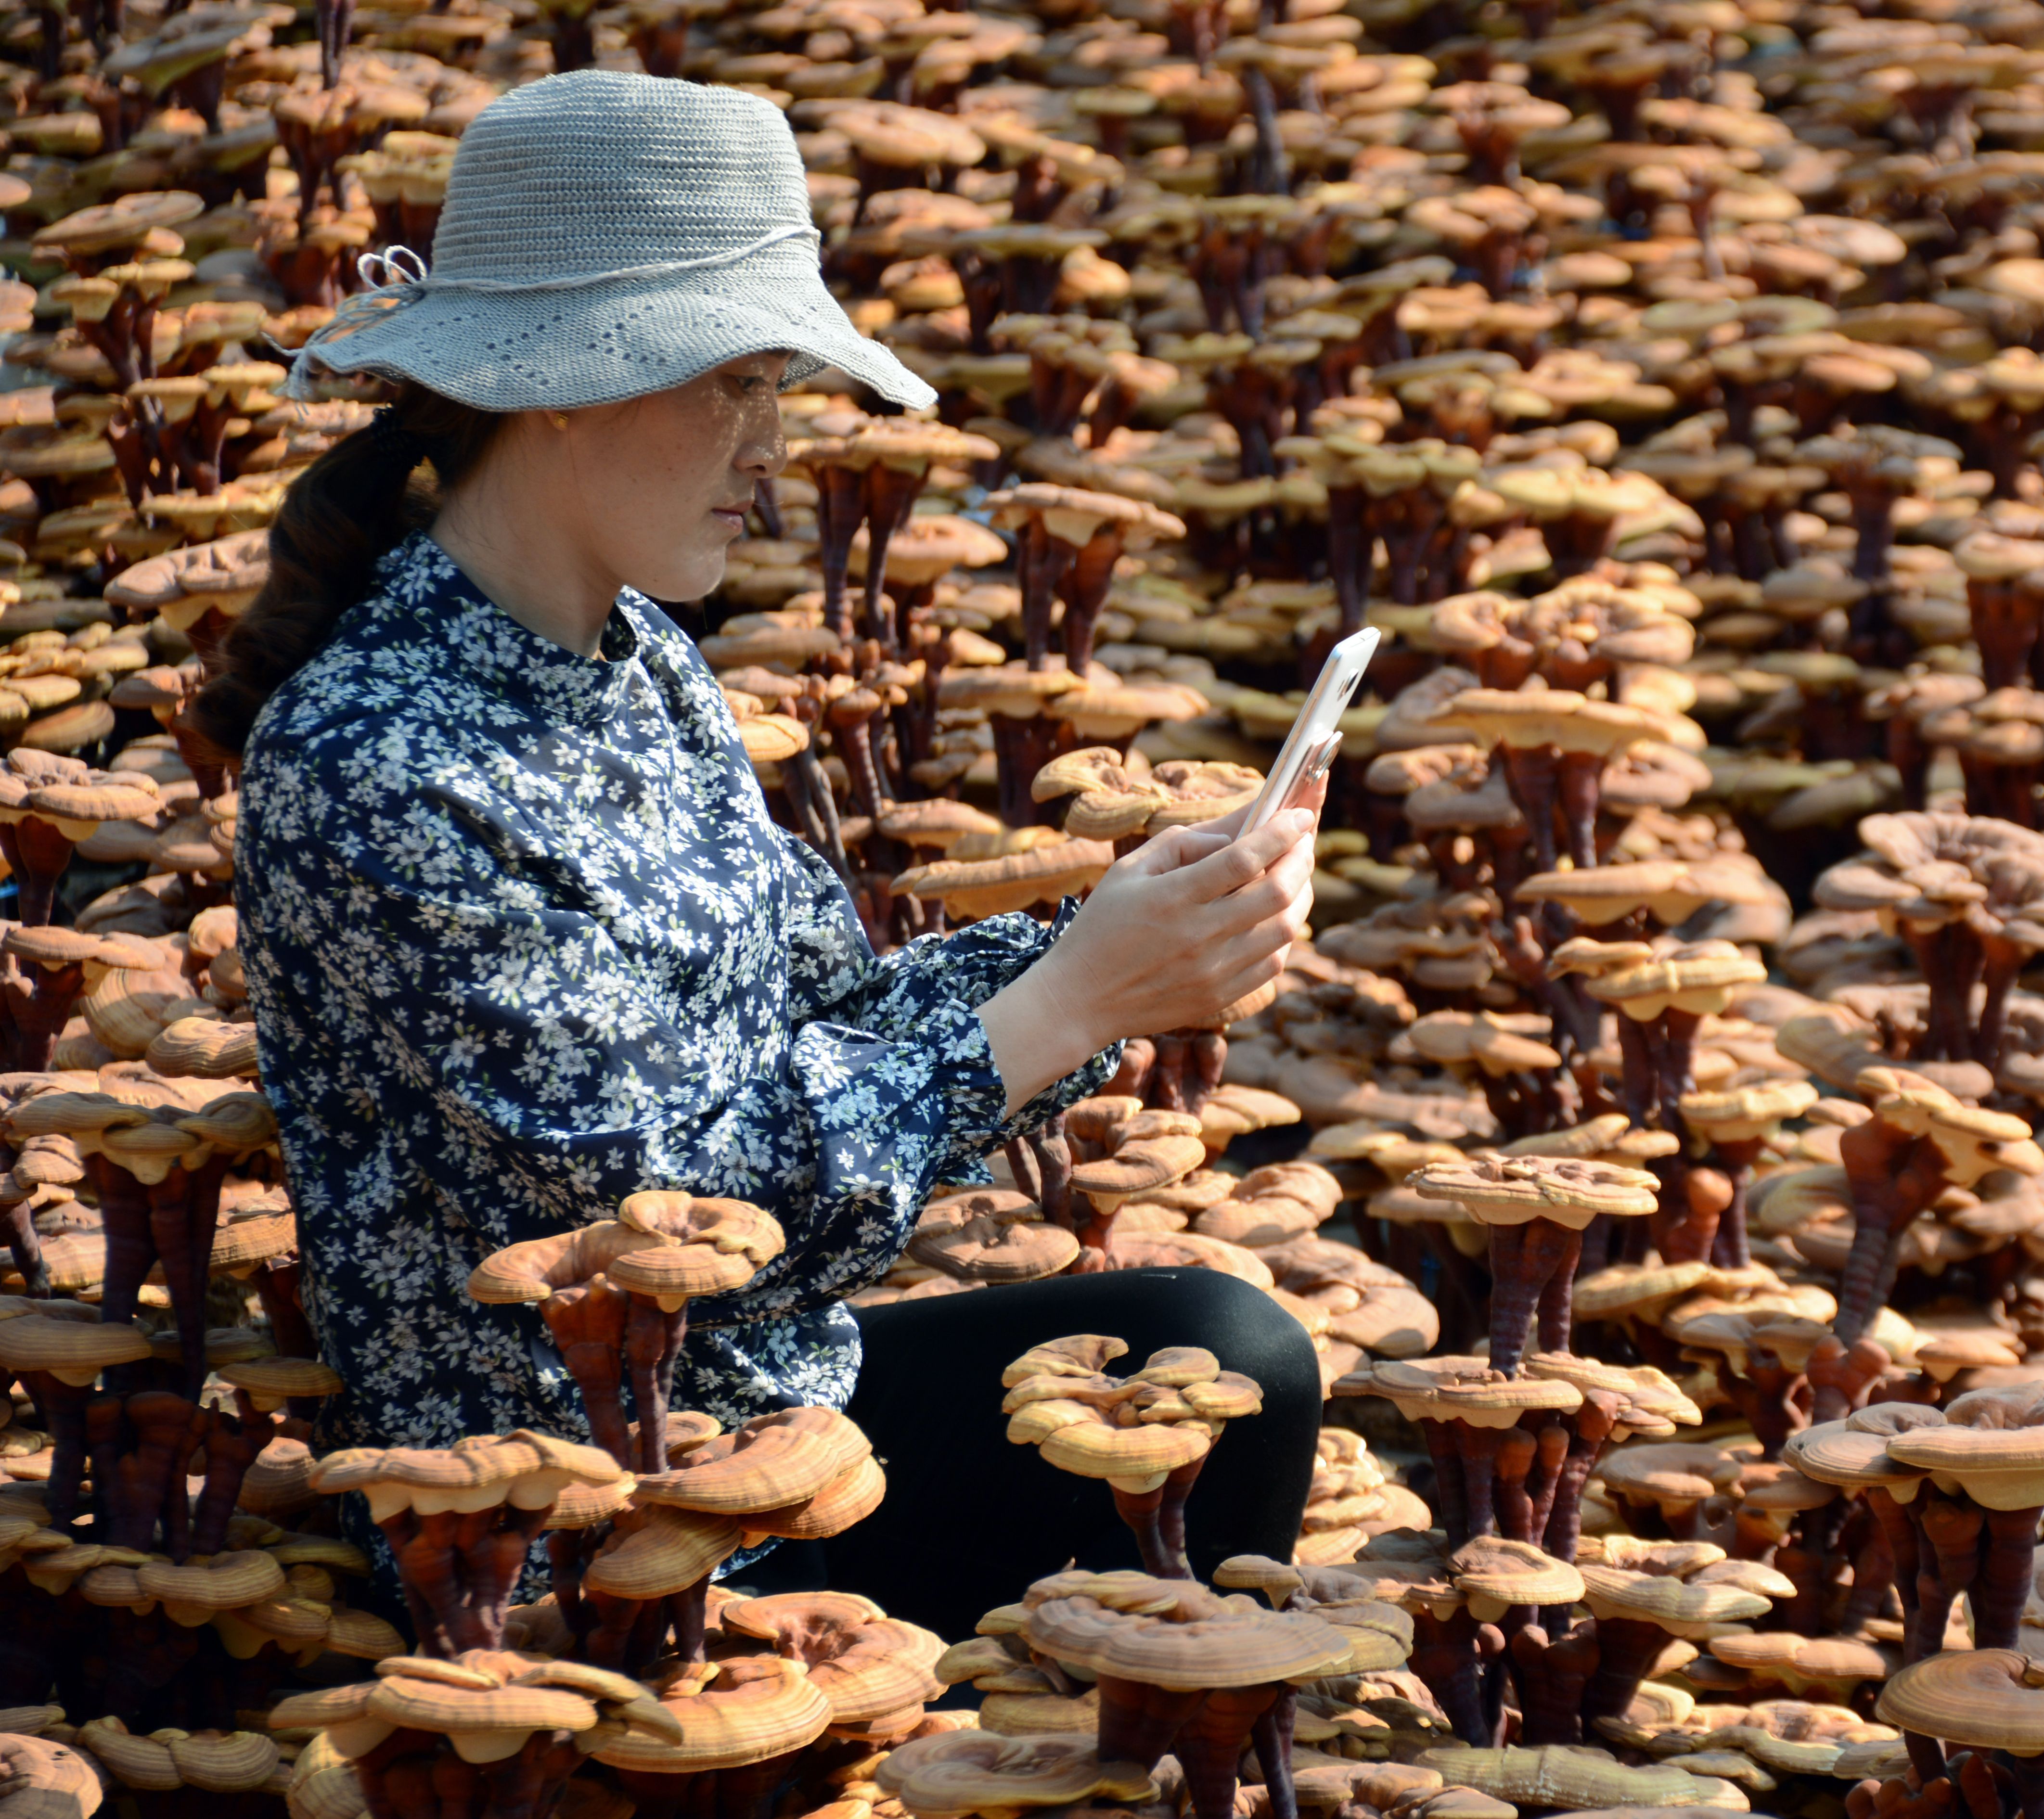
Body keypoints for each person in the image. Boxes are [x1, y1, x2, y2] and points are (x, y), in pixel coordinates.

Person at [205, 69, 1322, 1634]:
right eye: (736, 380)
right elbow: (669, 1216)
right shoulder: (379, 759)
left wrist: (1125, 940)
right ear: (568, 384)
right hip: (591, 1533)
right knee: (1230, 1368)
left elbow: (831, 1020)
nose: (773, 448)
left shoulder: (640, 659)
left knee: (1224, 1354)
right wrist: (1068, 1005)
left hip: (789, 1416)